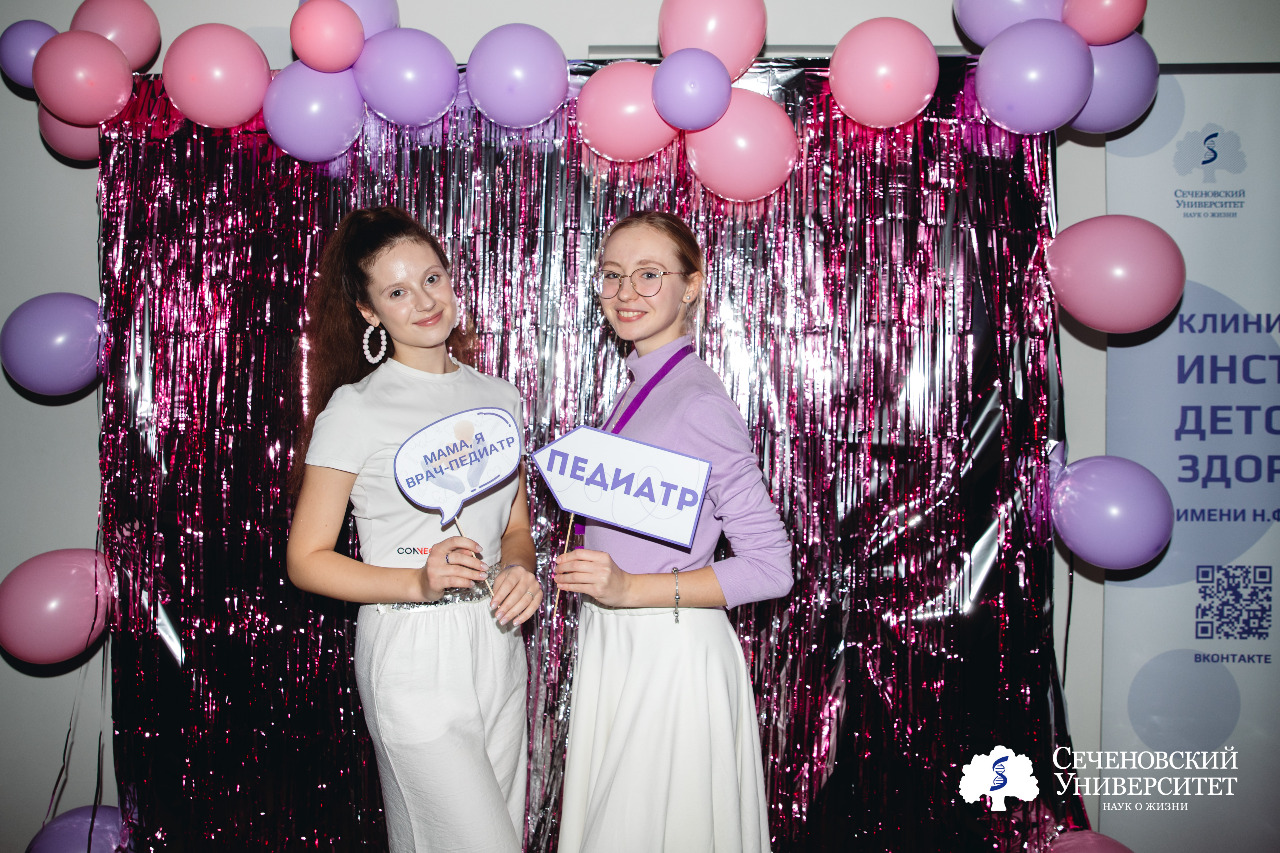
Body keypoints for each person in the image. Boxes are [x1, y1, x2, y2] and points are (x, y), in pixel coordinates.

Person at [286, 206, 542, 853]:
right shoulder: (355, 409)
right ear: (369, 311)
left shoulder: (500, 398)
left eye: (432, 278)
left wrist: (520, 567)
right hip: (410, 646)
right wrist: (418, 582)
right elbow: (306, 558)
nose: (424, 302)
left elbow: (514, 527)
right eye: (397, 291)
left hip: (499, 640)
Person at [553, 211, 793, 852]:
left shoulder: (697, 400)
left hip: (671, 653)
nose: (625, 292)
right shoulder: (641, 385)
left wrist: (630, 588)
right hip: (623, 642)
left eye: (649, 274)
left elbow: (771, 567)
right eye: (612, 275)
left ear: (692, 286)